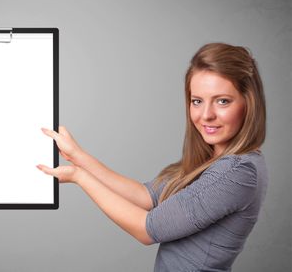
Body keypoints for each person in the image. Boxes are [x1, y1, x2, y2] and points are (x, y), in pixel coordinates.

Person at [36, 42, 268, 272]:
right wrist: (77, 156)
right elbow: (145, 196)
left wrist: (80, 177)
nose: (206, 115)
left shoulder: (237, 172)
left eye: (222, 101)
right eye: (197, 101)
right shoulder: (215, 161)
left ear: (249, 103)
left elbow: (146, 229)